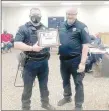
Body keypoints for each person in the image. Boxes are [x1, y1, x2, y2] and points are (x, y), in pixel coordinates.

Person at [14, 8, 55, 110]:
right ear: (30, 16)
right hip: (30, 62)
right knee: (27, 88)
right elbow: (16, 44)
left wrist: (54, 42)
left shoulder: (45, 28)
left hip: (44, 62)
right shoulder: (23, 28)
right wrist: (32, 48)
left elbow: (49, 41)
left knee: (44, 86)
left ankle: (45, 104)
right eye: (34, 15)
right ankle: (25, 107)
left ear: (41, 16)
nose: (36, 17)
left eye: (38, 15)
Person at [58, 8, 91, 110]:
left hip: (76, 60)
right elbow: (57, 40)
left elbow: (86, 46)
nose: (70, 16)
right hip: (63, 59)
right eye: (68, 14)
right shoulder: (61, 25)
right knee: (65, 80)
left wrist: (82, 62)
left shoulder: (82, 27)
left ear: (76, 14)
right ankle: (67, 97)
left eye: (72, 14)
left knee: (78, 82)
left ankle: (78, 105)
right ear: (66, 14)